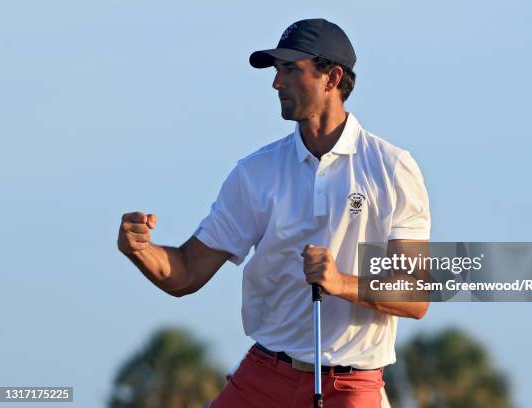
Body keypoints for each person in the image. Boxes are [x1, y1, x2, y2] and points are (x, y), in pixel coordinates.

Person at [117, 18, 431, 408]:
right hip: (263, 378)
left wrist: (341, 282)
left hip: (351, 386)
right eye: (276, 71)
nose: (276, 83)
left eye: (290, 69)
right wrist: (141, 250)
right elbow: (186, 272)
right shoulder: (255, 172)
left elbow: (416, 292)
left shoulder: (391, 167)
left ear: (332, 77)